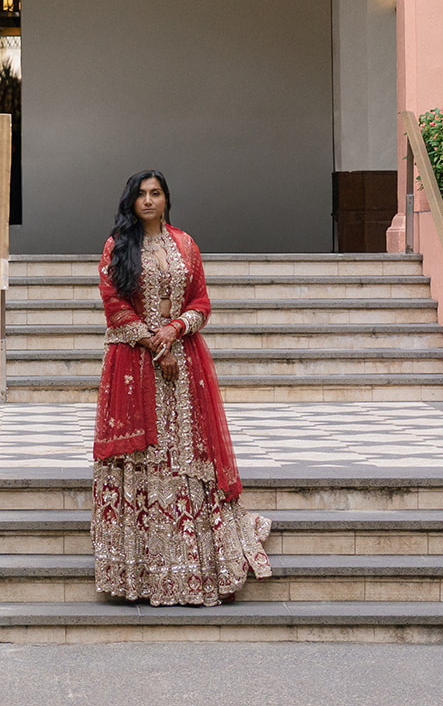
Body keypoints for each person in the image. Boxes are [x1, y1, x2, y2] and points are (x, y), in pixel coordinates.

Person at [92, 169, 272, 605]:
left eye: (156, 193)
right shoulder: (117, 247)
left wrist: (173, 330)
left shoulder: (185, 244)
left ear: (167, 199)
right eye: (141, 194)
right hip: (134, 366)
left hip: (182, 370)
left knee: (185, 457)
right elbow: (112, 302)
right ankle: (137, 572)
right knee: (141, 458)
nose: (149, 201)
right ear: (131, 201)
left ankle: (191, 566)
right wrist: (153, 342)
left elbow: (201, 302)